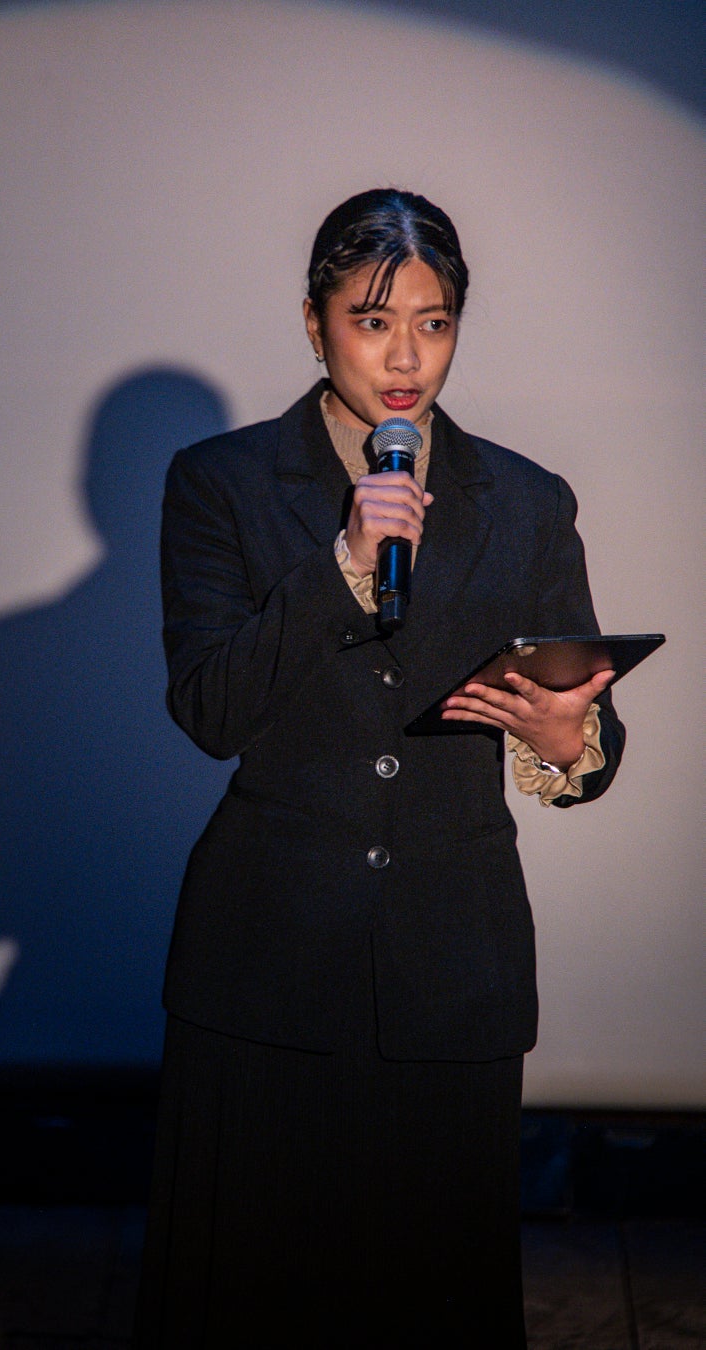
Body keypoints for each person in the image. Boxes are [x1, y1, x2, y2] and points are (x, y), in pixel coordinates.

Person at [133, 188, 625, 1349]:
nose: (405, 358)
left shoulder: (525, 501)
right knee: (244, 1303)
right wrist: (341, 566)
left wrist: (570, 745)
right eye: (371, 320)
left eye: (432, 322)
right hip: (262, 964)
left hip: (451, 967)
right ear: (313, 326)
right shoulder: (220, 482)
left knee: (429, 1305)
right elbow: (209, 710)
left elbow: (578, 716)